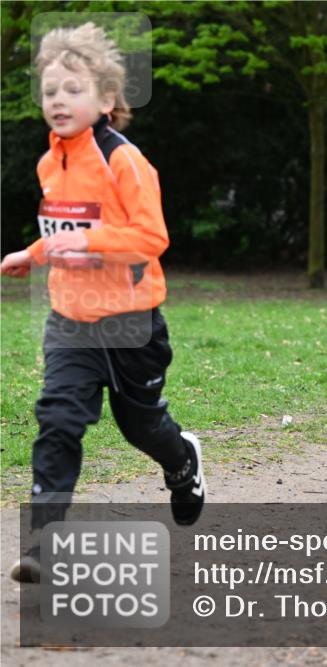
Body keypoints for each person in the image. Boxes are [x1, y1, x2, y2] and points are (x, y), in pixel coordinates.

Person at [0, 23, 204, 582]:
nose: (57, 100)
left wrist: (83, 242)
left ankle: (182, 459)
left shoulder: (126, 161)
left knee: (141, 428)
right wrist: (35, 251)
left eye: (72, 88)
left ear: (107, 99)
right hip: (70, 321)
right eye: (49, 91)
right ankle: (43, 538)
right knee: (58, 419)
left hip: (132, 323)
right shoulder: (50, 163)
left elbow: (150, 238)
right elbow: (68, 228)